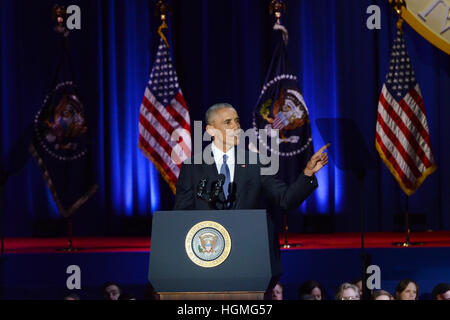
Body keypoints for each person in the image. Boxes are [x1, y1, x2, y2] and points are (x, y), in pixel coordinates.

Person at [174, 102, 329, 212]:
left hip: (249, 247)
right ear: (211, 130)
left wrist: (308, 173)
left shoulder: (256, 162)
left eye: (237, 121)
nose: (236, 127)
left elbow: (285, 200)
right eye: (228, 122)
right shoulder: (192, 167)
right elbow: (182, 215)